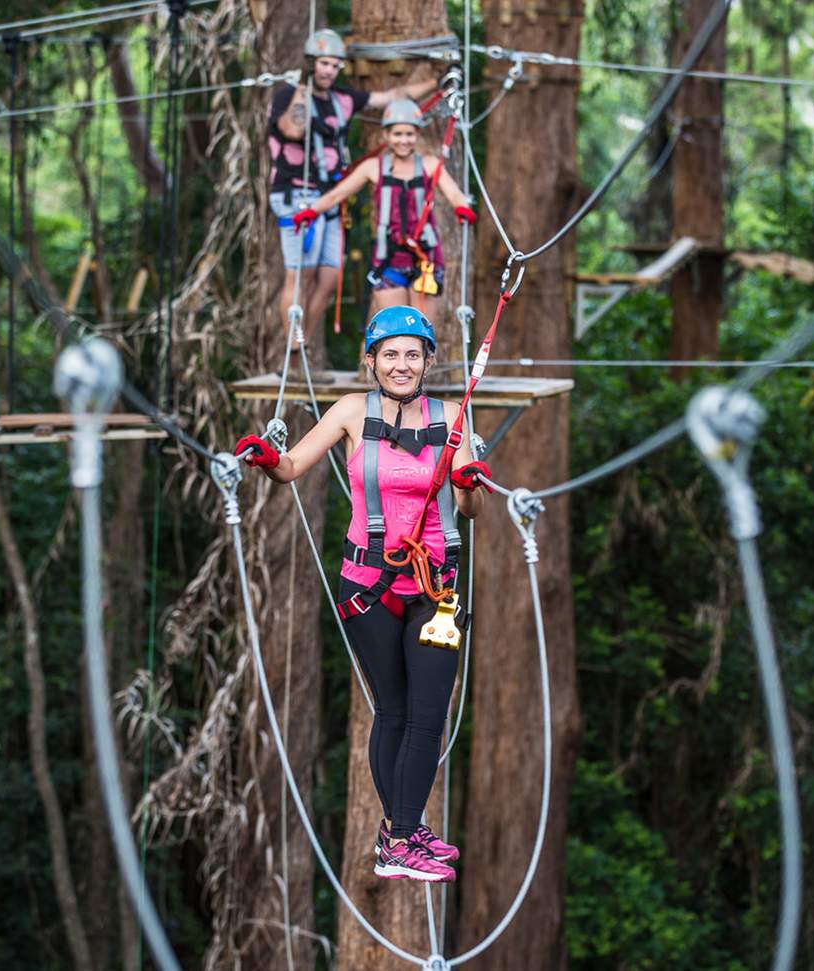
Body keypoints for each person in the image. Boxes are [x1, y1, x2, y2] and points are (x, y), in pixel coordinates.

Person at [234, 306, 493, 883]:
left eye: (412, 354)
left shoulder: (453, 416)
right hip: (368, 587)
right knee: (394, 711)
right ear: (371, 361)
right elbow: (295, 465)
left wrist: (467, 484)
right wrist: (268, 458)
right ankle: (401, 835)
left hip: (434, 589)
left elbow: (472, 511)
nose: (401, 365)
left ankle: (401, 836)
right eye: (390, 354)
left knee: (427, 715)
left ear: (428, 360)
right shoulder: (352, 411)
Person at [268, 30, 437, 349]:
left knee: (329, 277)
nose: (328, 70)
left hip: (330, 198)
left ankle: (299, 346)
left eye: (334, 65)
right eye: (322, 64)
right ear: (310, 64)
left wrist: (438, 83)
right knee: (301, 275)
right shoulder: (287, 96)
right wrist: (302, 87)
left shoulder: (341, 100)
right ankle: (291, 351)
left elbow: (393, 95)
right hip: (296, 195)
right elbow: (294, 128)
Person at [291, 98, 476, 320]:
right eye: (397, 134)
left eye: (409, 134)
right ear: (386, 136)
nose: (404, 140)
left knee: (422, 331)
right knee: (394, 330)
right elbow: (337, 194)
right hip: (389, 258)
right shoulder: (373, 168)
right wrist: (311, 212)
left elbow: (455, 194)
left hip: (425, 257)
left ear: (417, 135)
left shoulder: (429, 165)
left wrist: (462, 209)